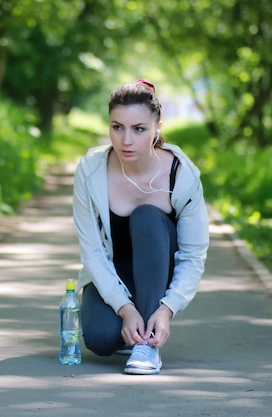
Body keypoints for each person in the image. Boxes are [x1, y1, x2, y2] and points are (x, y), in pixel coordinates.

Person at [72, 79, 209, 375]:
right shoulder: (90, 170)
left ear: (157, 127)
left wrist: (167, 308)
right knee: (100, 338)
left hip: (158, 270)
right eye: (117, 127)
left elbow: (193, 255)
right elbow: (92, 251)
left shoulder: (181, 175)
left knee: (147, 215)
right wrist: (125, 309)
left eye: (139, 129)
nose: (126, 141)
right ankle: (131, 325)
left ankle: (146, 346)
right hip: (114, 271)